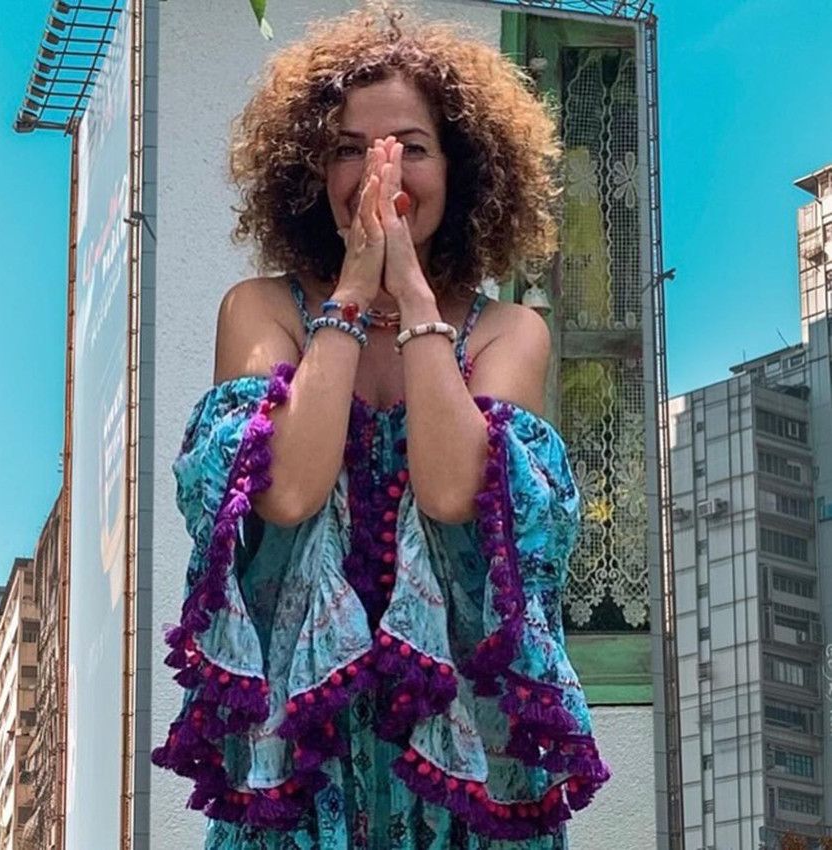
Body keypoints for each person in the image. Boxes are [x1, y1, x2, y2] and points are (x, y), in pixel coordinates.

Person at [152, 5, 609, 848]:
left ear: (462, 169)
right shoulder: (260, 310)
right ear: (311, 170)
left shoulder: (511, 333)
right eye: (349, 149)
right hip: (302, 764)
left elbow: (451, 490)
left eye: (411, 147)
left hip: (463, 773)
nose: (378, 170)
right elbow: (288, 491)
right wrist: (354, 295)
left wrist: (416, 298)